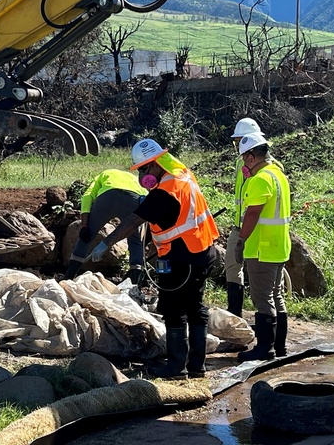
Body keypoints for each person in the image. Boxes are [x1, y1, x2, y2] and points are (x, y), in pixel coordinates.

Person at [89, 139, 219, 379]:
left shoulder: (164, 193)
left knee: (173, 309)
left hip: (183, 258)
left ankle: (176, 367)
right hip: (202, 250)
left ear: (158, 164)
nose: (143, 175)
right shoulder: (182, 174)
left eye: (145, 169)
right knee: (195, 308)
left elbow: (132, 222)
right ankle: (196, 367)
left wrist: (105, 244)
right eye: (141, 170)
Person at [236, 131, 292, 362]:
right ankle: (279, 347)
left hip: (261, 248)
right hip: (279, 246)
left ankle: (264, 348)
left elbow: (253, 214)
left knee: (262, 298)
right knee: (277, 296)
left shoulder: (260, 179)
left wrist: (241, 240)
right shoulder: (279, 175)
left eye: (243, 158)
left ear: (251, 157)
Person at [64, 169, 147, 281]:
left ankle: (69, 277)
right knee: (135, 241)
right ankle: (136, 282)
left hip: (107, 198)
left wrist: (84, 225)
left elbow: (87, 196)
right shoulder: (136, 179)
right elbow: (146, 202)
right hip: (132, 199)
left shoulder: (105, 174)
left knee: (87, 236)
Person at [225, 118, 263, 317]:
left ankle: (266, 316)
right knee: (232, 267)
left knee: (261, 277)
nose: (237, 145)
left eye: (239, 141)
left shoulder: (268, 167)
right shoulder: (241, 166)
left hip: (258, 229)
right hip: (238, 227)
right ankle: (234, 314)